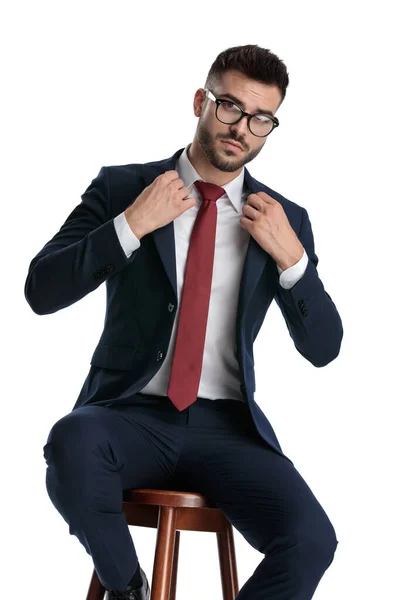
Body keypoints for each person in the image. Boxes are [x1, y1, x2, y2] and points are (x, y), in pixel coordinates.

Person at [25, 44, 343, 600]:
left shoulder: (285, 219)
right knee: (71, 442)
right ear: (200, 101)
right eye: (228, 107)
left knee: (312, 538)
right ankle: (130, 590)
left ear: (271, 127)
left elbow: (324, 348)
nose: (242, 129)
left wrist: (294, 262)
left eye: (261, 119)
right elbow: (41, 291)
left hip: (227, 431)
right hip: (130, 416)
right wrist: (131, 224)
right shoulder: (124, 187)